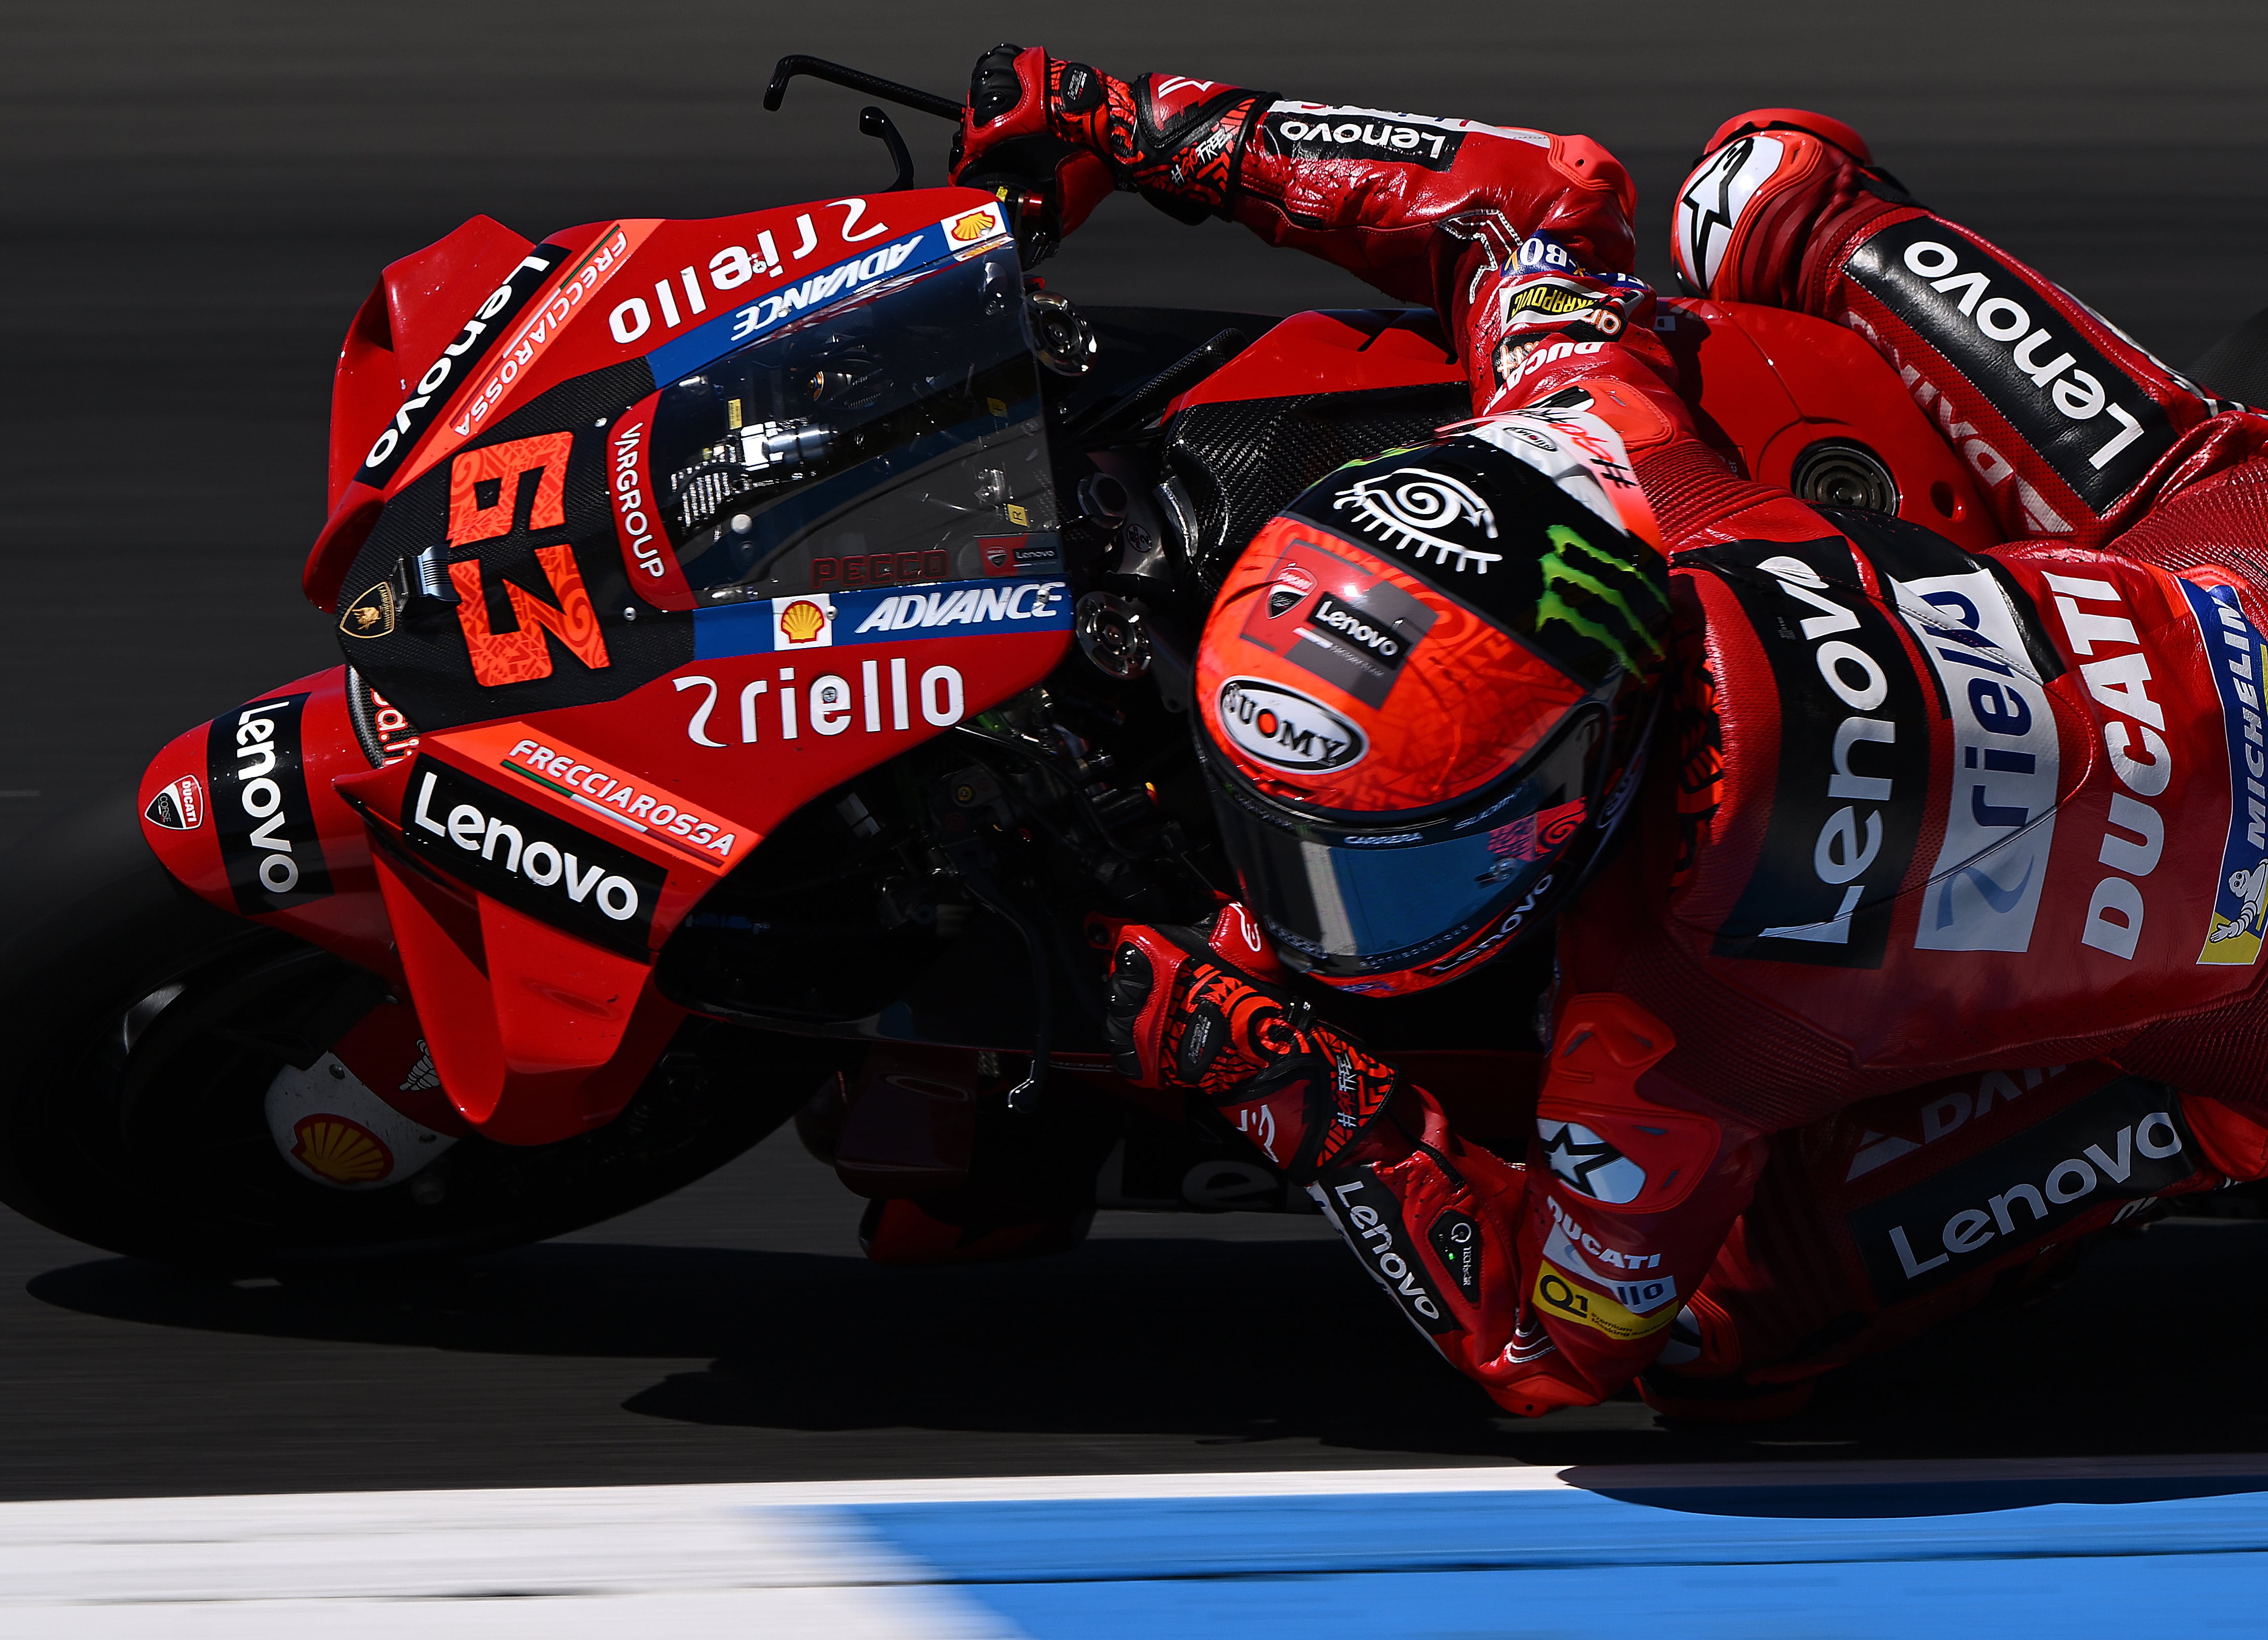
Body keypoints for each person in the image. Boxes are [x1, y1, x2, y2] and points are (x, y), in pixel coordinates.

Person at [952, 44, 2268, 1417]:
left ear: (1569, 778)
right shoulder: (1635, 472)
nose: (1324, 911)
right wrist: (1147, 125)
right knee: (1762, 186)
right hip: (2242, 554)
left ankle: (2179, 1132)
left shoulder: (1659, 1036)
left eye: (1386, 863)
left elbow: (1557, 1350)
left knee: (1720, 1336)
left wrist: (1288, 1078)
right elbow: (1544, 206)